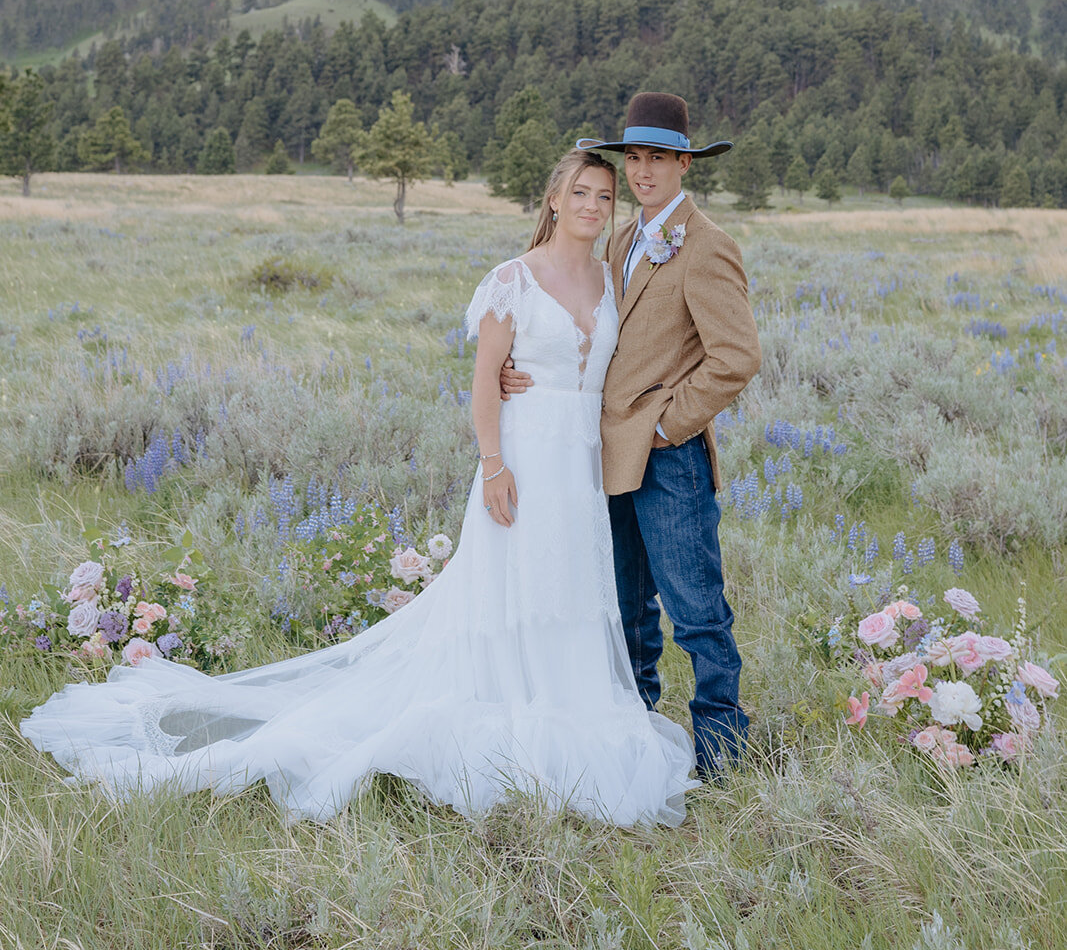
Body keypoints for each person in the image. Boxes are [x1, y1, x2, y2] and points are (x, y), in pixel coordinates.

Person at [21, 149, 694, 827]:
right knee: (512, 589)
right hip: (520, 460)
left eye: (604, 198)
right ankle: (508, 706)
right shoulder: (511, 280)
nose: (591, 206)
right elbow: (484, 382)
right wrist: (493, 463)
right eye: (579, 192)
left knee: (569, 587)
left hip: (580, 468)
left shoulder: (611, 281)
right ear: (552, 200)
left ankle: (568, 703)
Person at [503, 93, 761, 776]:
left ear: (683, 163)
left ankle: (720, 754)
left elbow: (735, 356)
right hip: (602, 457)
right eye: (634, 159)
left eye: (657, 158)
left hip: (666, 459)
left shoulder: (707, 246)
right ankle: (636, 735)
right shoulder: (619, 240)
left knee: (696, 609)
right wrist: (518, 373)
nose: (642, 171)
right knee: (625, 608)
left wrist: (666, 426)